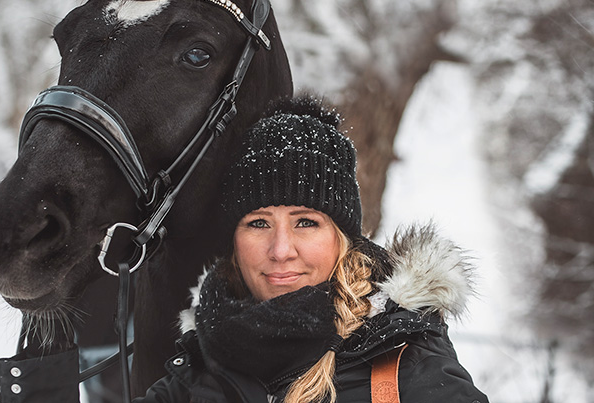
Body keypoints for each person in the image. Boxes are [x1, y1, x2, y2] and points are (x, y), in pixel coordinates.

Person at [135, 96, 489, 402]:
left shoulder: (408, 367)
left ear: (342, 236)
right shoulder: (194, 375)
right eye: (258, 223)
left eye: (305, 222)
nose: (281, 250)